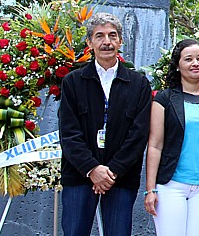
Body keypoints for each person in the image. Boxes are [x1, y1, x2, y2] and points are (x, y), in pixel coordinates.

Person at [58, 12, 152, 236]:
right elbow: (69, 133)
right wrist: (92, 169)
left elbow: (138, 134)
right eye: (99, 36)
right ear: (90, 42)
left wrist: (112, 171)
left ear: (121, 41)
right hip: (80, 175)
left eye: (112, 35)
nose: (107, 42)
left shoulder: (138, 84)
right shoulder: (73, 82)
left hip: (121, 177)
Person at [144, 39, 199, 235]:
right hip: (171, 185)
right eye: (188, 59)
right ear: (177, 65)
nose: (195, 63)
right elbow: (155, 145)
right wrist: (150, 189)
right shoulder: (164, 99)